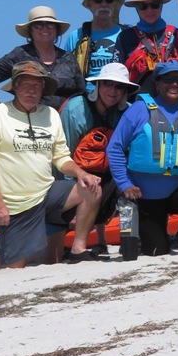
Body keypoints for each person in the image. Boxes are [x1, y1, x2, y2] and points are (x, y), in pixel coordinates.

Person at [0, 62, 102, 273]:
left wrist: (81, 173)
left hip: (47, 194)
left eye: (37, 86)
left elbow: (61, 157)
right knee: (13, 267)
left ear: (43, 89)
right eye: (25, 85)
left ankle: (78, 249)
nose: (31, 90)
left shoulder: (50, 114)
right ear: (15, 87)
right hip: (14, 205)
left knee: (92, 188)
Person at [106, 61, 178, 255]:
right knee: (156, 251)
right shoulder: (138, 110)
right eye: (168, 80)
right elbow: (115, 148)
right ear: (157, 83)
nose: (174, 85)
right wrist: (125, 184)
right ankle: (146, 235)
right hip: (145, 197)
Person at [58, 62, 138, 256]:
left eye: (119, 86)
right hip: (77, 176)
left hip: (108, 174)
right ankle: (80, 243)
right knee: (89, 185)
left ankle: (129, 241)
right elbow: (63, 155)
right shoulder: (75, 110)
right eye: (108, 84)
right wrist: (72, 198)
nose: (113, 90)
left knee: (129, 189)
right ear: (98, 85)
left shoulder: (127, 112)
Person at [0, 6, 85, 111]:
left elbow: (81, 93)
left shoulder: (68, 58)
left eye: (50, 24)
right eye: (38, 25)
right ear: (30, 30)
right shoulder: (19, 55)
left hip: (65, 125)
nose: (44, 28)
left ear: (57, 29)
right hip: (30, 124)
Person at [116, 0, 178, 93]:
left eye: (154, 5)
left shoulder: (176, 34)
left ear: (161, 6)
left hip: (174, 102)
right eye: (143, 6)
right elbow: (117, 75)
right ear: (136, 8)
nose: (149, 10)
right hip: (136, 102)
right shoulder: (125, 37)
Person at [64, 0, 128, 86]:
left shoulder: (126, 34)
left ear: (114, 4)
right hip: (85, 95)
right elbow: (66, 71)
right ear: (89, 5)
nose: (104, 4)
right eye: (98, 0)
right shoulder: (76, 36)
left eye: (109, 0)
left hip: (118, 92)